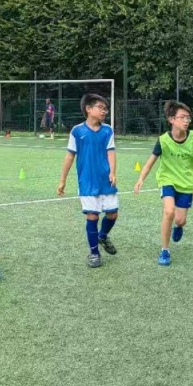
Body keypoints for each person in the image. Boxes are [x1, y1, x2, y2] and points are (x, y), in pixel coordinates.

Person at [134, 101, 193, 266]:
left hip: (186, 182)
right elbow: (151, 161)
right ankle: (165, 250)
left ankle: (178, 227)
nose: (186, 121)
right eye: (182, 117)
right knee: (168, 212)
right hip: (167, 180)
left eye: (188, 117)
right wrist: (141, 179)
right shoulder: (163, 140)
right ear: (171, 119)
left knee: (180, 220)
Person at [58, 94, 118, 267]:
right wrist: (63, 180)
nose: (104, 111)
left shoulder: (108, 130)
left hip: (106, 180)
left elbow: (111, 152)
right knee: (92, 216)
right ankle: (94, 253)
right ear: (88, 109)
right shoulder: (77, 131)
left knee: (113, 214)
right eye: (100, 107)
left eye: (105, 108)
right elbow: (70, 156)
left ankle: (102, 236)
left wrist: (113, 172)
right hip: (87, 181)